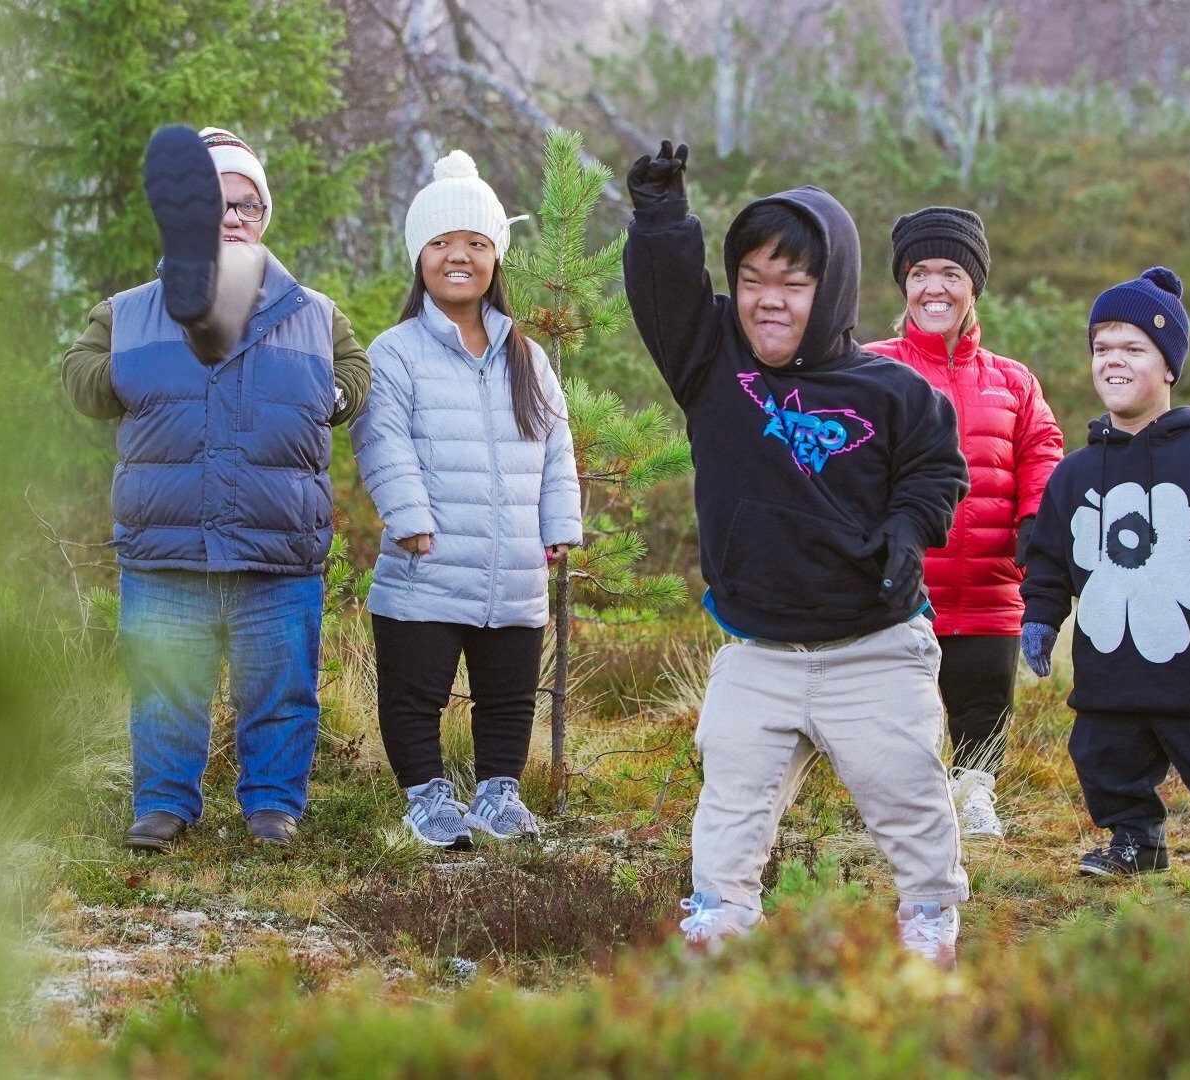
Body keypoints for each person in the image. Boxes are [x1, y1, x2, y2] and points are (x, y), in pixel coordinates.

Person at [623, 141, 971, 964]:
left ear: (833, 288)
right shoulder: (712, 363)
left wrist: (907, 530)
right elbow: (669, 299)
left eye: (794, 282)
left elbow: (937, 472)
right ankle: (719, 920)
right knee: (730, 802)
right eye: (752, 281)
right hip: (758, 649)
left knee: (909, 795)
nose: (768, 302)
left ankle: (929, 920)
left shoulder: (896, 393)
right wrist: (662, 220)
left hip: (873, 648)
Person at [61, 125, 370, 852]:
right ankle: (164, 805)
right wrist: (126, 375)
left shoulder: (313, 311)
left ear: (265, 218)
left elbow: (355, 374)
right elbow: (81, 376)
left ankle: (272, 808)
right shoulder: (130, 311)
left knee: (281, 692)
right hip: (169, 541)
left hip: (278, 543)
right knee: (167, 690)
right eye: (219, 204)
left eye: (248, 206)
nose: (234, 218)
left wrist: (329, 395)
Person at [1018, 267, 1190, 901]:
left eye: (1133, 347)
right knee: (1102, 753)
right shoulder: (1076, 472)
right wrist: (1040, 614)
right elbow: (1051, 555)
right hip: (1111, 662)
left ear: (1168, 366)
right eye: (1102, 347)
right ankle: (1134, 840)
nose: (1113, 360)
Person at [351, 151, 582, 849]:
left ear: (495, 257)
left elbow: (556, 444)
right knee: (414, 693)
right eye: (443, 243)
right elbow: (380, 438)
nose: (460, 257)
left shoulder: (526, 355)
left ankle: (498, 795)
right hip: (428, 561)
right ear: (420, 255)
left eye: (476, 244)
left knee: (508, 694)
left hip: (511, 564)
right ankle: (426, 799)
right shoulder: (394, 353)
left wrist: (560, 523)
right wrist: (409, 517)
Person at [863, 208, 1063, 841]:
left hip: (988, 584)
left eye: (951, 272)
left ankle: (975, 797)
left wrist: (1036, 518)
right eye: (919, 273)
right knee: (896, 716)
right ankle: (910, 810)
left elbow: (1042, 450)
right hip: (897, 587)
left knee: (983, 709)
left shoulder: (1014, 381)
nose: (934, 288)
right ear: (903, 284)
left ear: (974, 284)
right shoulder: (869, 367)